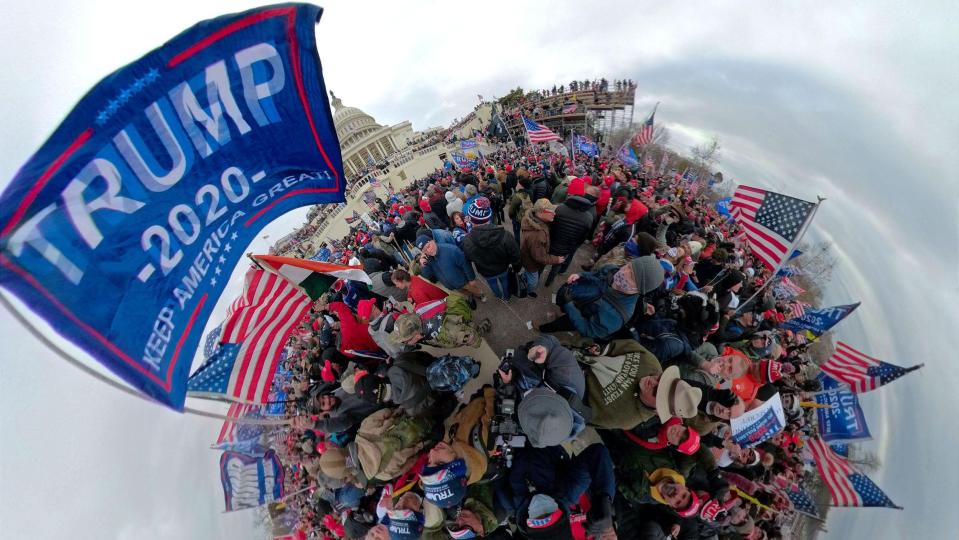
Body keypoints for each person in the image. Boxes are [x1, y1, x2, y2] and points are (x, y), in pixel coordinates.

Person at [539, 255, 664, 339]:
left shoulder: (619, 314)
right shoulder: (613, 269)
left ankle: (543, 328)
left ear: (639, 290)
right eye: (629, 266)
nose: (623, 272)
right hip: (574, 297)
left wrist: (569, 306)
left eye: (632, 276)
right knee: (562, 311)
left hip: (579, 316)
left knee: (560, 323)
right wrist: (581, 275)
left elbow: (589, 330)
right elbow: (595, 274)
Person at [462, 197, 522, 300]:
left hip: (486, 272)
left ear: (471, 219)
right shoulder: (506, 235)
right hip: (503, 268)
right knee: (504, 282)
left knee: (493, 284)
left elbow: (468, 258)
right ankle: (506, 297)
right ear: (488, 217)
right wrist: (517, 268)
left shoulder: (467, 240)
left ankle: (498, 296)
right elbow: (515, 255)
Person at [544, 178, 594, 286]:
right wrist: (572, 247)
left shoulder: (560, 208)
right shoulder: (589, 217)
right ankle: (549, 282)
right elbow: (582, 238)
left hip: (552, 242)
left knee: (544, 260)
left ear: (571, 193)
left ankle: (536, 279)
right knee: (557, 265)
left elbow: (551, 226)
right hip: (567, 247)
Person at [416, 235, 486, 302]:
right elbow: (428, 275)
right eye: (425, 250)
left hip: (464, 281)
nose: (429, 251)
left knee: (474, 289)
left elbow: (465, 264)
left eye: (428, 246)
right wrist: (423, 265)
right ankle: (470, 296)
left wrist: (471, 279)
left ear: (433, 241)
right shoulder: (428, 260)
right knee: (465, 293)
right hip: (452, 285)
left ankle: (480, 294)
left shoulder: (451, 250)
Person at [520, 198, 565, 298]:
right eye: (551, 212)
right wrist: (556, 259)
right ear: (540, 212)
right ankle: (527, 292)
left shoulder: (534, 219)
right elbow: (539, 257)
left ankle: (523, 277)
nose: (554, 214)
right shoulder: (536, 235)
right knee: (533, 281)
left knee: (527, 273)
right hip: (531, 263)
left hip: (527, 258)